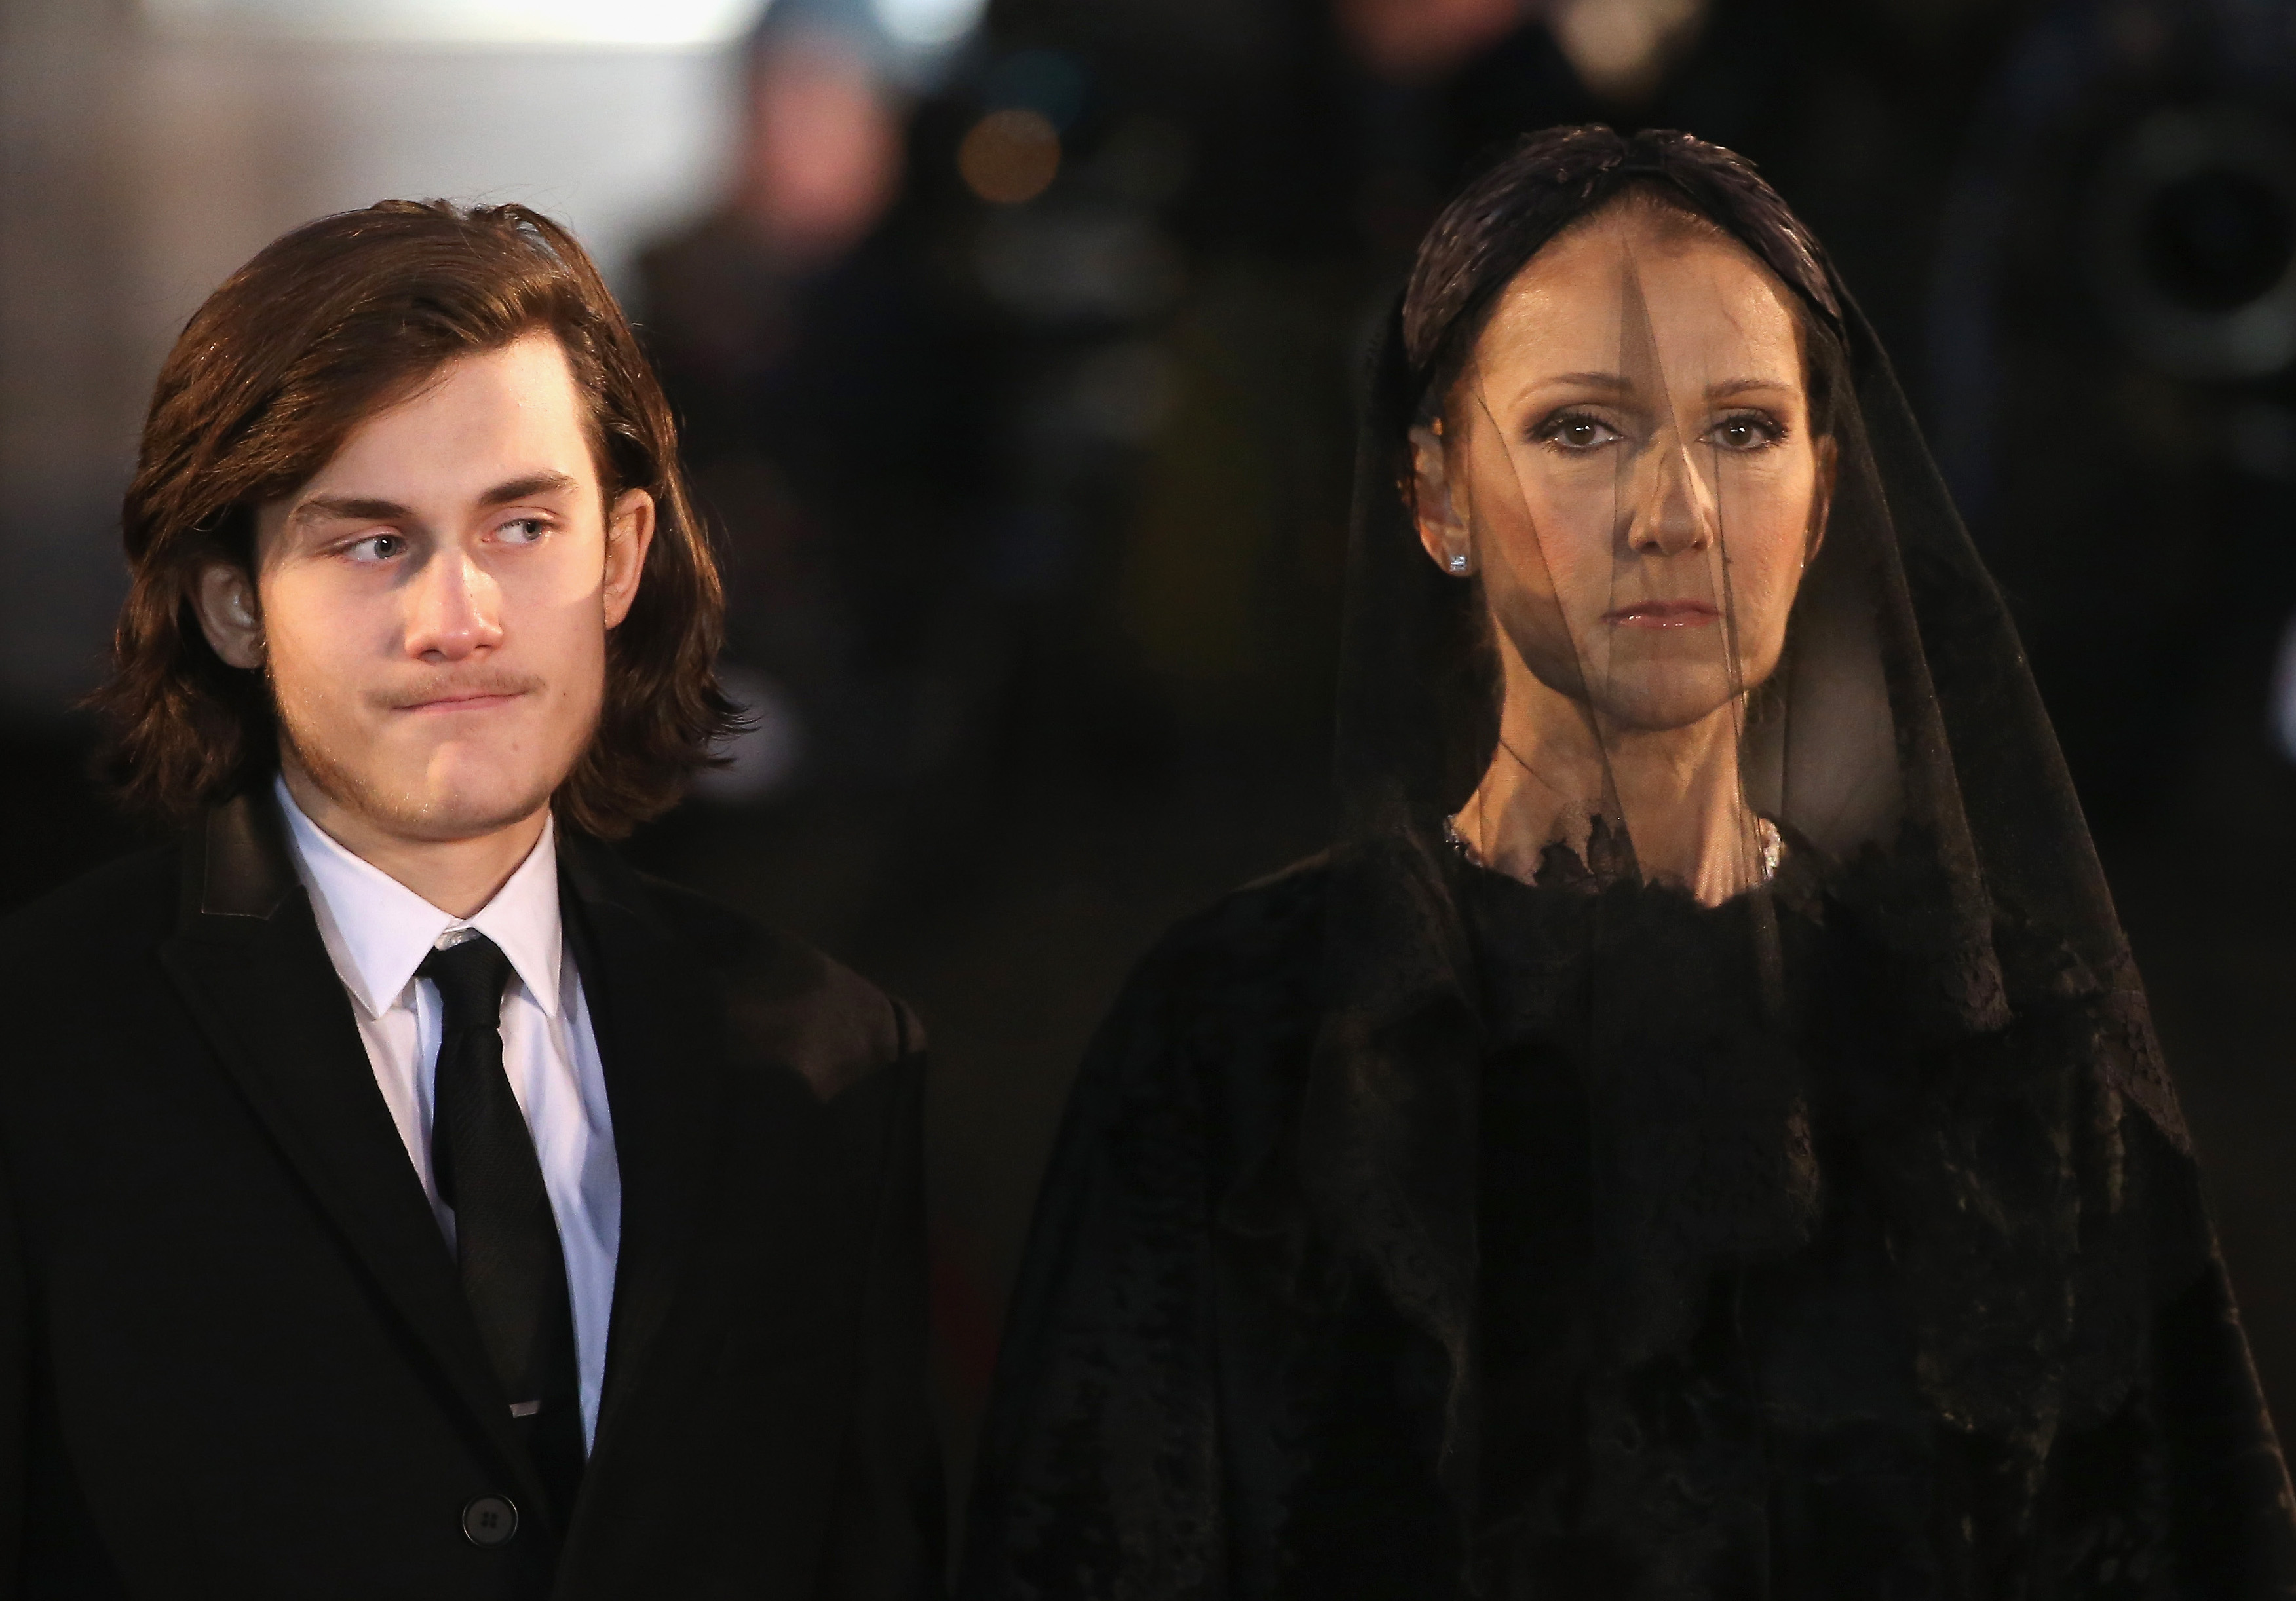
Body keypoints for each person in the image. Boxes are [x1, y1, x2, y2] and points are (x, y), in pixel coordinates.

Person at [961, 127, 2296, 1597]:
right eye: (1582, 429)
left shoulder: (1996, 1045)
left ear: (1827, 487)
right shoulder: (1243, 1033)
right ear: (1436, 495)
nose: (1679, 515)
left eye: (1743, 429)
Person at [0, 201, 941, 1598]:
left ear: (620, 556)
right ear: (230, 602)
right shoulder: (39, 1040)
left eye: (520, 524)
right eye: (371, 541)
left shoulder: (826, 1054)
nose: (462, 615)